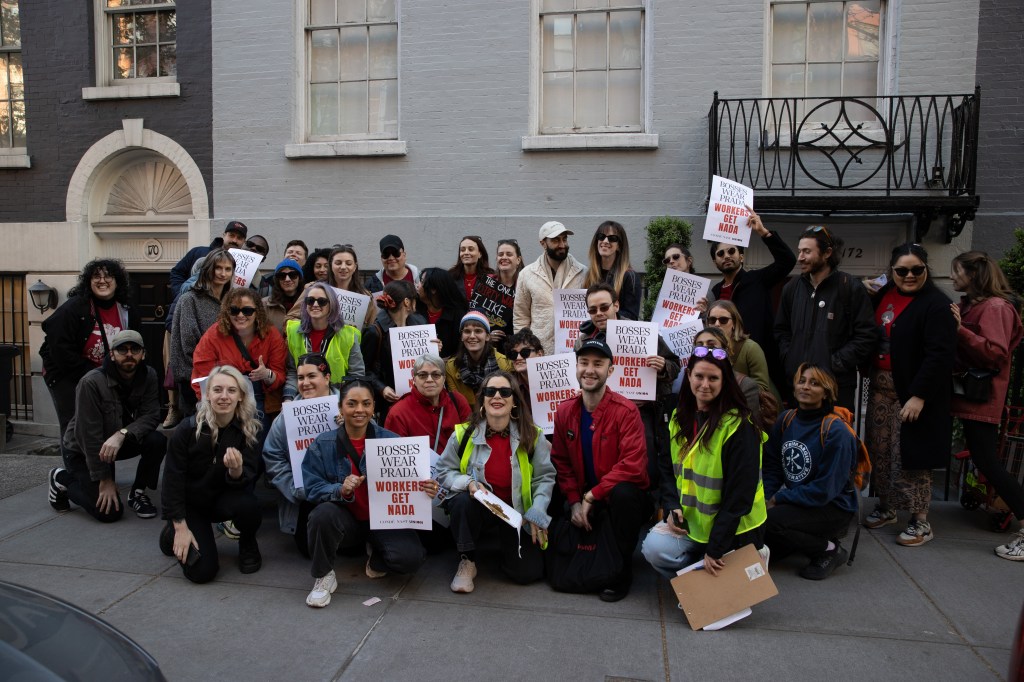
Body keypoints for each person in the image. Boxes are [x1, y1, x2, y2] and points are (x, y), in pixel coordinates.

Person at [642, 346, 767, 579]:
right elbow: (667, 468)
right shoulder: (679, 417)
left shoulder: (739, 426)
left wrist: (716, 548)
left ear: (725, 381)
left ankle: (749, 555)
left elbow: (739, 498)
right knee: (653, 550)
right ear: (688, 376)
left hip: (736, 528)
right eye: (699, 376)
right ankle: (695, 576)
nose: (705, 384)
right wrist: (671, 505)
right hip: (693, 523)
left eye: (713, 378)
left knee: (730, 587)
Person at [302, 378, 427, 608]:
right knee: (321, 514)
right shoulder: (323, 443)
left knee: (411, 560)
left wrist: (427, 488)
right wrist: (340, 489)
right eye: (352, 403)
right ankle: (324, 575)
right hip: (346, 521)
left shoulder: (392, 441)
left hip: (384, 520)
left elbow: (412, 484)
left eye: (366, 403)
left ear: (373, 408)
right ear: (341, 407)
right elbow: (311, 488)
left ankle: (376, 556)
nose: (359, 410)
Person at [862, 243, 955, 547]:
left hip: (912, 392)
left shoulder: (936, 305)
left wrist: (919, 395)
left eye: (917, 269)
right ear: (892, 271)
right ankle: (887, 507)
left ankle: (920, 521)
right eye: (902, 270)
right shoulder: (884, 294)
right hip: (880, 388)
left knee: (910, 456)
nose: (910, 275)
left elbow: (940, 354)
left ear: (927, 270)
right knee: (880, 450)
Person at [433, 371, 555, 592]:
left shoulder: (534, 436)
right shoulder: (463, 434)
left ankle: (506, 549)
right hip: (479, 508)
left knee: (528, 573)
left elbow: (544, 477)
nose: (497, 396)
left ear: (515, 401)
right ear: (483, 399)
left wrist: (537, 510)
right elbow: (443, 470)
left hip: (517, 513)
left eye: (505, 392)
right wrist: (468, 482)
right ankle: (467, 559)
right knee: (461, 502)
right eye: (490, 391)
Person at [550, 338, 651, 602]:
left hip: (617, 498)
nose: (590, 370)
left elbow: (634, 465)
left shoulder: (626, 411)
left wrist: (591, 496)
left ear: (611, 369)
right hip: (583, 495)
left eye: (598, 363)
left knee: (625, 494)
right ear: (576, 367)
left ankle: (622, 570)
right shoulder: (564, 411)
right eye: (584, 363)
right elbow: (561, 461)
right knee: (556, 498)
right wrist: (574, 501)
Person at [949, 251, 1024, 560]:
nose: (953, 277)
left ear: (974, 275)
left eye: (957, 272)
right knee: (984, 459)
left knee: (988, 461)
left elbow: (995, 353)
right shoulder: (972, 305)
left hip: (982, 398)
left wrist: (959, 330)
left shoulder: (995, 308)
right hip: (968, 395)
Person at [48, 330, 166, 522]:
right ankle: (60, 479)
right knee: (109, 512)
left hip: (115, 443)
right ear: (111, 354)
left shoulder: (149, 375)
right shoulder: (91, 382)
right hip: (83, 450)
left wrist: (122, 434)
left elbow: (152, 415)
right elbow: (89, 436)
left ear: (143, 354)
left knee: (157, 440)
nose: (129, 354)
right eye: (122, 349)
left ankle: (137, 493)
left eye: (135, 349)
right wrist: (105, 479)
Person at [159, 366, 263, 582]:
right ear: (207, 394)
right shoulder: (187, 429)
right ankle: (172, 532)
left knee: (250, 505)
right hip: (191, 505)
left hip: (221, 500)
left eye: (231, 391)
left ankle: (248, 543)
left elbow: (247, 479)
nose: (224, 396)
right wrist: (179, 525)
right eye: (217, 390)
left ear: (241, 396)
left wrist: (236, 471)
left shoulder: (249, 430)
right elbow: (172, 480)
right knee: (202, 572)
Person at [576, 282, 680, 490]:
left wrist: (662, 367)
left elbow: (675, 366)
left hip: (640, 412)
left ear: (616, 305)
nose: (599, 313)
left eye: (604, 307)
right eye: (593, 310)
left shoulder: (643, 333)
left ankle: (647, 504)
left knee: (645, 462)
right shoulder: (583, 342)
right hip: (600, 414)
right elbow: (578, 376)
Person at [763, 364, 858, 580]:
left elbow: (824, 490)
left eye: (814, 383)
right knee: (754, 526)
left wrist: (778, 498)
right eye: (802, 381)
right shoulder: (786, 419)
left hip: (832, 507)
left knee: (770, 522)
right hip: (798, 501)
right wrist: (765, 497)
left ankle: (829, 548)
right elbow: (772, 467)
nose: (806, 387)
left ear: (827, 392)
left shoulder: (836, 432)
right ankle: (796, 539)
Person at [774, 225, 877, 409]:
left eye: (807, 251)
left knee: (832, 437)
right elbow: (781, 330)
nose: (800, 258)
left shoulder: (850, 288)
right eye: (799, 251)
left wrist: (833, 363)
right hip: (798, 387)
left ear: (827, 252)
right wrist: (790, 357)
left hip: (835, 389)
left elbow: (866, 336)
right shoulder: (791, 288)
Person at [40, 259, 141, 438]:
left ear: (117, 281)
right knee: (73, 425)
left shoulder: (126, 310)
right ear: (88, 281)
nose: (102, 280)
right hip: (66, 375)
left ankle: (97, 464)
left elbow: (136, 344)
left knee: (101, 425)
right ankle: (74, 466)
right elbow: (59, 347)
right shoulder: (74, 308)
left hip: (104, 376)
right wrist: (91, 377)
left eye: (108, 276)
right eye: (96, 276)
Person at [708, 210, 794, 388]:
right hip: (724, 360)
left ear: (741, 256)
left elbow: (787, 261)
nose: (727, 256)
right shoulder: (715, 291)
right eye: (721, 254)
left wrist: (763, 232)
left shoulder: (757, 280)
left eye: (732, 251)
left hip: (757, 359)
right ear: (715, 262)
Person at [262, 353, 335, 557]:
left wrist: (351, 426)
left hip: (345, 492)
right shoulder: (287, 417)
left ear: (327, 377)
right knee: (309, 549)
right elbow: (272, 455)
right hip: (307, 495)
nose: (305, 383)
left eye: (312, 376)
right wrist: (294, 489)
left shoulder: (349, 405)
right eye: (301, 378)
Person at [191, 288, 288, 430]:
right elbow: (202, 375)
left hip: (258, 398)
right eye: (234, 310)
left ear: (257, 312)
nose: (241, 315)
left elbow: (280, 373)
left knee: (256, 440)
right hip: (222, 398)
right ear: (227, 312)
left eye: (247, 311)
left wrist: (267, 374)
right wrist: (213, 402)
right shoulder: (214, 335)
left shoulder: (271, 335)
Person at [169, 249, 235, 416]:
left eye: (228, 269)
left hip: (226, 377)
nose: (223, 273)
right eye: (218, 268)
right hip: (195, 380)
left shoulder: (231, 301)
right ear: (208, 269)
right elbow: (188, 344)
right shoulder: (190, 299)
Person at [513, 220, 586, 355]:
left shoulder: (583, 273)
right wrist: (525, 350)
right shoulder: (526, 274)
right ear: (543, 243)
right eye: (556, 240)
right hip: (539, 351)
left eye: (564, 239)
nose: (562, 245)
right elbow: (521, 316)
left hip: (575, 351)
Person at [283, 284, 364, 400]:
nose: (315, 305)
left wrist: (345, 404)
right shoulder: (293, 331)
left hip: (339, 399)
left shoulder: (349, 335)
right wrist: (288, 397)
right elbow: (292, 372)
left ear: (332, 305)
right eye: (310, 301)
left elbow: (356, 376)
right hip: (304, 399)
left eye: (321, 301)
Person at [362, 280, 427, 421]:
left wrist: (434, 347)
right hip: (390, 404)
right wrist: (382, 388)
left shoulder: (420, 322)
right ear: (407, 302)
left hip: (419, 399)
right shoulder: (375, 332)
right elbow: (363, 370)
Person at [384, 353, 471, 456]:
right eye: (422, 375)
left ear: (444, 378)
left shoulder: (458, 401)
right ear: (414, 379)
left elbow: (470, 442)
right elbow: (396, 458)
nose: (429, 380)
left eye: (436, 375)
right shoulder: (398, 413)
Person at [693, 326, 762, 423]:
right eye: (699, 346)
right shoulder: (691, 383)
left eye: (711, 345)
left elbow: (751, 429)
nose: (704, 349)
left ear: (725, 350)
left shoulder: (745, 386)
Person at [445, 311, 515, 407]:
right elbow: (457, 406)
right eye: (467, 331)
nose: (472, 336)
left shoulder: (505, 364)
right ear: (461, 336)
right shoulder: (451, 366)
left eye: (478, 331)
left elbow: (508, 401)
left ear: (487, 336)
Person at [707, 300, 772, 393]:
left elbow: (762, 387)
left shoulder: (751, 348)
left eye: (723, 320)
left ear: (734, 323)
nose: (717, 324)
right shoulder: (703, 348)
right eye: (712, 320)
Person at [169, 220, 247, 298]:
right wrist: (180, 296)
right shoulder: (198, 252)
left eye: (239, 238)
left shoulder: (247, 266)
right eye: (231, 235)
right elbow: (177, 273)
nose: (234, 240)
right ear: (224, 235)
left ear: (244, 241)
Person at [583, 221, 642, 321]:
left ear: (619, 246)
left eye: (612, 238)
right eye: (601, 236)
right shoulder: (589, 275)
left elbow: (631, 317)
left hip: (615, 335)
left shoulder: (629, 277)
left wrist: (605, 314)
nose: (605, 241)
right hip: (593, 334)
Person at [474, 238, 524, 351]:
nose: (504, 257)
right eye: (500, 254)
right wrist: (486, 336)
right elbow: (475, 313)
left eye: (509, 254)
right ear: (496, 258)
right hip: (487, 348)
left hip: (517, 347)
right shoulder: (486, 283)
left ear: (518, 259)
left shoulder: (525, 284)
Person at [416, 267, 467, 356]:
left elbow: (462, 349)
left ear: (433, 289)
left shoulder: (459, 316)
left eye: (422, 281)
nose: (417, 285)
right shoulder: (414, 311)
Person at [263, 258, 304, 334]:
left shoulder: (309, 303)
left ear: (299, 278)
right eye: (282, 276)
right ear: (277, 280)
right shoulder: (265, 304)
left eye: (292, 275)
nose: (287, 279)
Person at [449, 235, 494, 303]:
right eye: (462, 250)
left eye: (471, 249)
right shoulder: (450, 276)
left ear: (480, 254)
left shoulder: (491, 277)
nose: (466, 253)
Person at [506, 328, 544, 395]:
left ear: (539, 354)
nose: (518, 358)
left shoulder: (556, 379)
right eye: (513, 354)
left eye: (525, 352)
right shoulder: (506, 383)